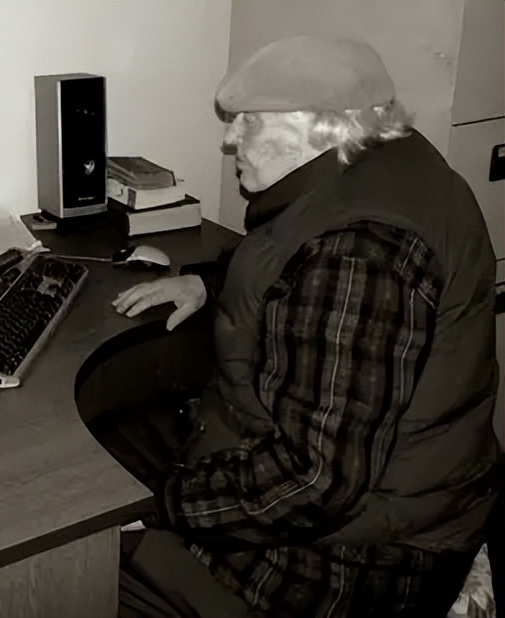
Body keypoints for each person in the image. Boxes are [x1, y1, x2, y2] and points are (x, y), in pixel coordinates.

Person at [106, 35, 502, 618]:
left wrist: (159, 506)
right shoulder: (383, 163)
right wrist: (210, 283)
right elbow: (292, 254)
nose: (229, 139)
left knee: (76, 560)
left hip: (358, 558)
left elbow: (313, 483)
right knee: (109, 452)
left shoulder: (359, 258)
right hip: (388, 500)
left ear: (321, 128)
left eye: (247, 122)